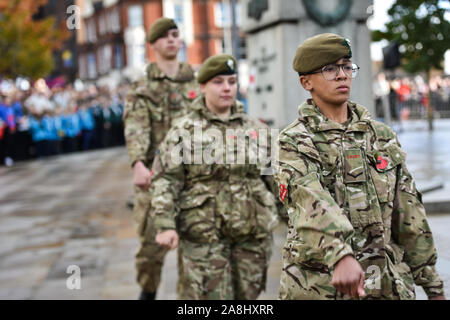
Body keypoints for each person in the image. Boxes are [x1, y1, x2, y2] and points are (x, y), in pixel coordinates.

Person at [275, 33, 445, 300]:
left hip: (386, 285)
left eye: (346, 66)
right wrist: (340, 254)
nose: (342, 75)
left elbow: (409, 214)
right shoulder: (295, 140)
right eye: (330, 69)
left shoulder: (381, 136)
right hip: (321, 287)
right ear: (306, 81)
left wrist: (433, 286)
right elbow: (309, 200)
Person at [151, 54, 285, 300]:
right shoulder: (183, 131)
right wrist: (165, 224)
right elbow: (165, 180)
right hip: (204, 238)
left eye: (232, 82)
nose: (227, 88)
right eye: (218, 82)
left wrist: (296, 220)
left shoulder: (257, 130)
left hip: (252, 237)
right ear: (202, 86)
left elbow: (276, 179)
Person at [123, 17, 200, 300]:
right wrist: (138, 164)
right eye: (165, 36)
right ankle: (148, 291)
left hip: (194, 179)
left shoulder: (197, 81)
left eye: (175, 34)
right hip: (155, 179)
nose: (171, 39)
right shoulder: (142, 87)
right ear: (153, 44)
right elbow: (136, 126)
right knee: (150, 250)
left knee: (198, 250)